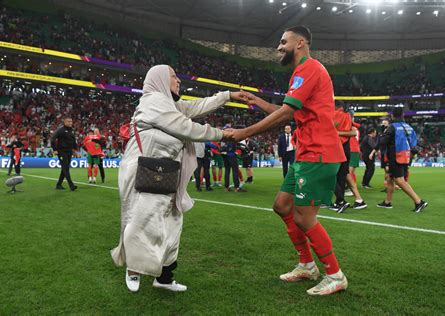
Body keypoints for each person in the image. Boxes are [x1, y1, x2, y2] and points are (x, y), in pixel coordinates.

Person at [228, 26, 348, 295]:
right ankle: (307, 264)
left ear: (301, 43)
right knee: (282, 206)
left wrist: (244, 133)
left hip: (319, 152)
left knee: (305, 218)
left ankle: (335, 274)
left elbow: (285, 114)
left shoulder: (309, 69)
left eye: (283, 42)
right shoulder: (303, 71)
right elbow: (290, 112)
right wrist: (258, 101)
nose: (278, 47)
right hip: (307, 153)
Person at [110, 64, 247, 293]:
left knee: (173, 223)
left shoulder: (169, 104)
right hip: (143, 173)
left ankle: (164, 277)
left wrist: (228, 95)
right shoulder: (153, 100)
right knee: (142, 220)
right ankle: (133, 267)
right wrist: (222, 134)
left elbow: (197, 106)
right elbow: (185, 127)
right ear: (160, 79)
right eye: (173, 77)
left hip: (164, 173)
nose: (178, 81)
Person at [377, 107, 428, 213]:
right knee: (390, 178)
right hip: (406, 156)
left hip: (395, 157)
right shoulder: (409, 127)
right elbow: (414, 145)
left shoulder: (392, 127)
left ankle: (419, 202)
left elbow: (382, 142)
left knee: (400, 181)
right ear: (403, 115)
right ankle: (387, 202)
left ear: (392, 116)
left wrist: (382, 132)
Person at [330, 102, 356, 213]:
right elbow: (354, 132)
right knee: (342, 175)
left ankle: (340, 200)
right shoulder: (347, 116)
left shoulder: (332, 114)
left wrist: (336, 132)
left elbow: (331, 129)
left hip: (334, 147)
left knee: (330, 174)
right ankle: (338, 202)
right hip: (346, 148)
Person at [51, 116, 78, 191]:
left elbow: (73, 141)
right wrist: (55, 149)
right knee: (66, 168)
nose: (70, 123)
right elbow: (53, 139)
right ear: (65, 122)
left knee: (65, 168)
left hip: (69, 152)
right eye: (68, 121)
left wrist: (75, 151)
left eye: (71, 121)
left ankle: (58, 184)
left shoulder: (71, 131)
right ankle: (71, 185)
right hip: (62, 151)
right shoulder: (61, 130)